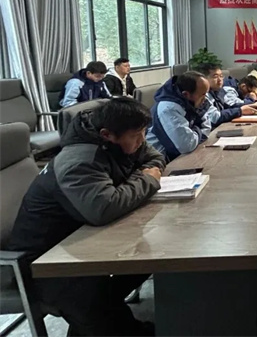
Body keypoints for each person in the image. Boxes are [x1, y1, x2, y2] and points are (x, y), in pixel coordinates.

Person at [9, 97, 165, 336]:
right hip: (44, 264)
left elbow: (155, 158)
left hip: (80, 240)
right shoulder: (79, 161)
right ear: (107, 135)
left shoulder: (123, 138)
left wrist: (139, 179)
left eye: (144, 133)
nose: (142, 140)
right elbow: (104, 208)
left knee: (149, 259)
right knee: (97, 302)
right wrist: (146, 179)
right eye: (137, 135)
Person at [146, 71, 211, 162]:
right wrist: (197, 128)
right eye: (203, 94)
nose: (205, 99)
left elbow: (207, 127)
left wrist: (194, 132)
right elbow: (187, 145)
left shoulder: (192, 102)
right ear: (186, 94)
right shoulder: (168, 108)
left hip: (179, 156)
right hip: (162, 161)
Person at [197, 63, 257, 128]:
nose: (220, 80)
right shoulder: (202, 96)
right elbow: (215, 117)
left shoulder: (218, 91)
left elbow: (231, 105)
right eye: (215, 77)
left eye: (221, 76)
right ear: (204, 79)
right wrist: (240, 110)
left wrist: (248, 105)